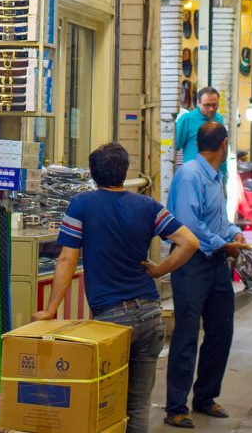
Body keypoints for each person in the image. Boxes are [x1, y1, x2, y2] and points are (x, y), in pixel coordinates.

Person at [35, 143, 200, 433]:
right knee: (138, 406)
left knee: (107, 404)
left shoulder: (82, 204)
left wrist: (50, 309)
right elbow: (190, 242)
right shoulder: (148, 206)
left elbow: (66, 258)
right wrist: (159, 270)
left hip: (110, 321)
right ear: (125, 172)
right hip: (150, 314)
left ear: (93, 173)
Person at [164, 123, 249, 428]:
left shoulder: (216, 177)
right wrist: (221, 244)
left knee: (221, 331)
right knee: (186, 334)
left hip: (216, 263)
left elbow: (216, 221)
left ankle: (205, 397)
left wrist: (234, 234)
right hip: (191, 263)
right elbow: (188, 223)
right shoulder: (189, 175)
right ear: (224, 145)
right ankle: (176, 406)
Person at [175, 87, 227, 175]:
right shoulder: (187, 119)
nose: (211, 109)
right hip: (194, 174)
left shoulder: (219, 119)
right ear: (198, 102)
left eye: (214, 105)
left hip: (216, 174)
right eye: (207, 105)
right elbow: (175, 145)